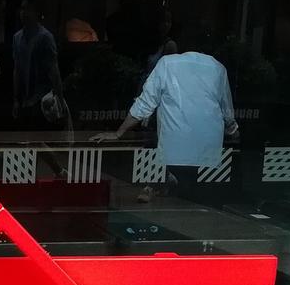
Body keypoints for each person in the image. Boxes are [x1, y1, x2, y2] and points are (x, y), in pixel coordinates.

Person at [100, 29, 237, 183]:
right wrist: (233, 131)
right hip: (209, 150)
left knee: (175, 194)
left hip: (176, 148)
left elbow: (144, 105)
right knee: (200, 199)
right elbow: (227, 112)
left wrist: (119, 133)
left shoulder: (167, 63)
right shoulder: (218, 68)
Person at [10, 0, 64, 130]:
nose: (24, 13)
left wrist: (60, 100)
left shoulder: (45, 37)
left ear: (37, 13)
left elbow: (53, 71)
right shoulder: (17, 37)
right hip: (25, 99)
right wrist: (16, 99)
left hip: (42, 98)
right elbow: (17, 69)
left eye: (28, 9)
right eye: (22, 9)